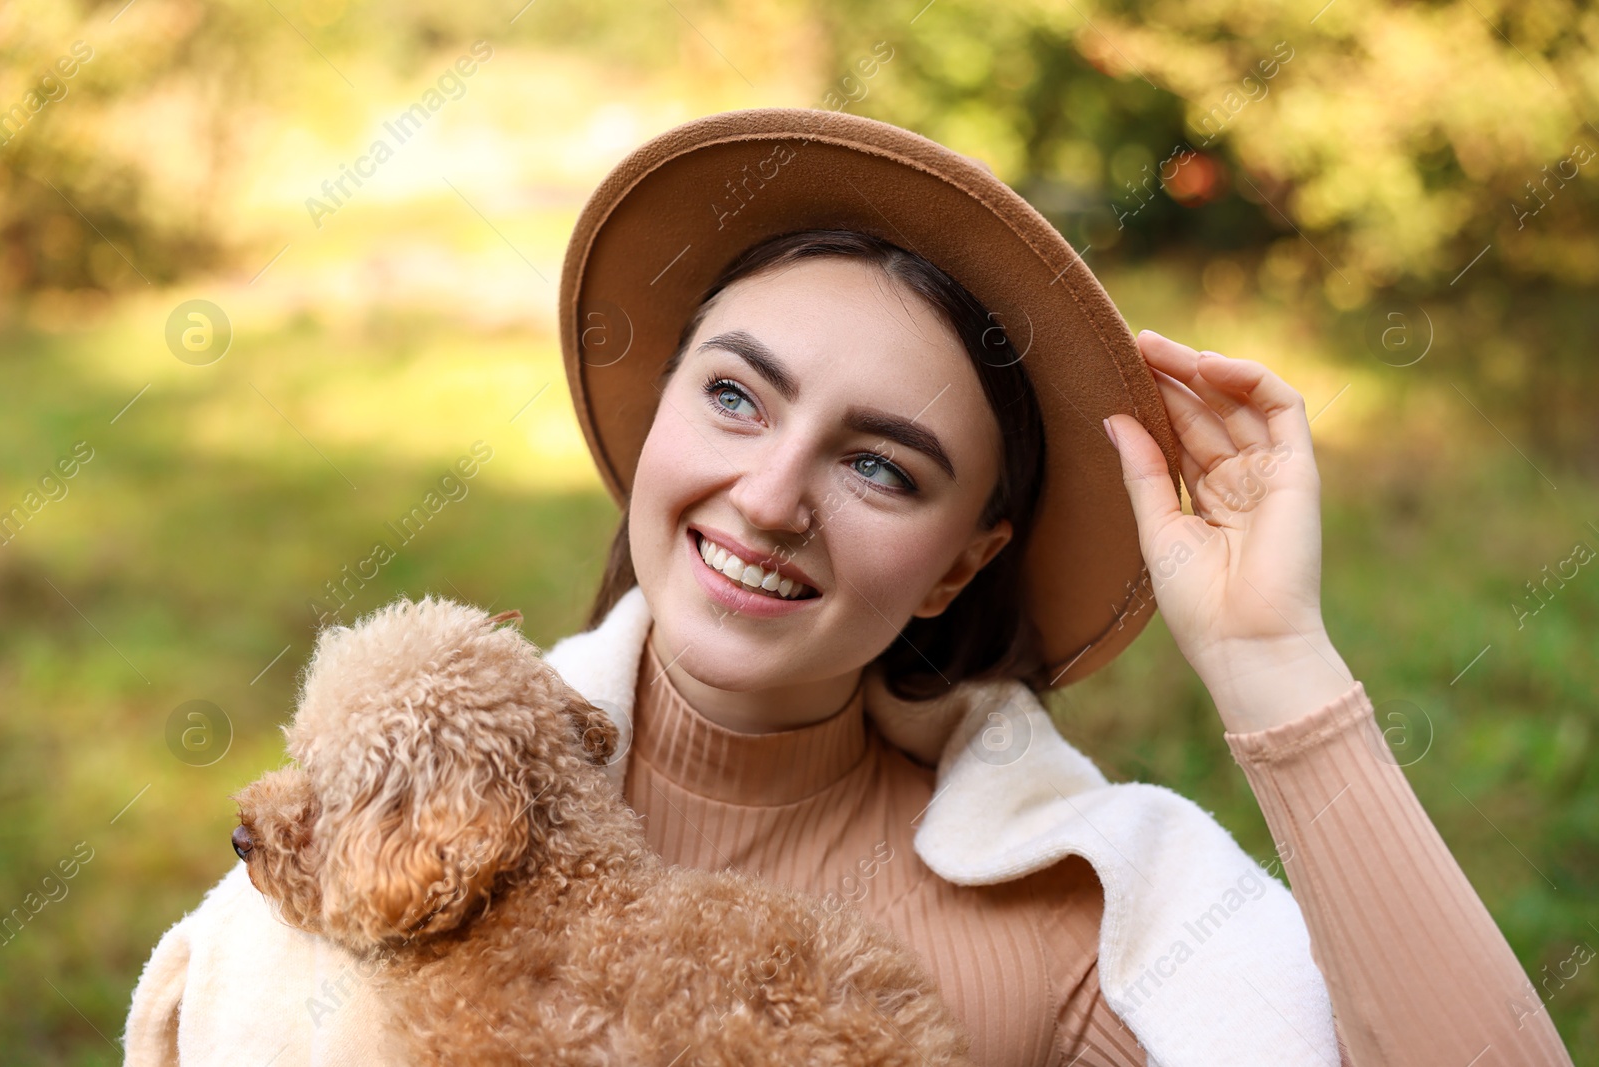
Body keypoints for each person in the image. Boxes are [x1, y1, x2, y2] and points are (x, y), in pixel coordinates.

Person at [123, 109, 1575, 1067]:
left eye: (881, 467)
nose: (770, 496)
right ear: (660, 419)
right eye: (739, 398)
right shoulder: (416, 806)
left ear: (964, 559)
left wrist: (1278, 669)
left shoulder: (1074, 915)